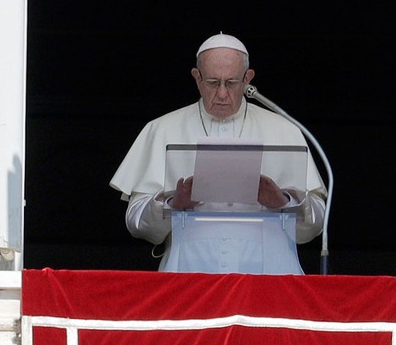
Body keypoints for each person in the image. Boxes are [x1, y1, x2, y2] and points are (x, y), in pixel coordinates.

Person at [110, 33, 327, 271]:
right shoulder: (161, 129)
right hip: (189, 270)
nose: (222, 94)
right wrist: (173, 204)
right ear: (197, 78)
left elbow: (315, 226)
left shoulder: (284, 129)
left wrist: (284, 202)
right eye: (213, 82)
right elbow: (136, 225)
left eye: (232, 83)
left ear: (247, 78)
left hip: (271, 273)